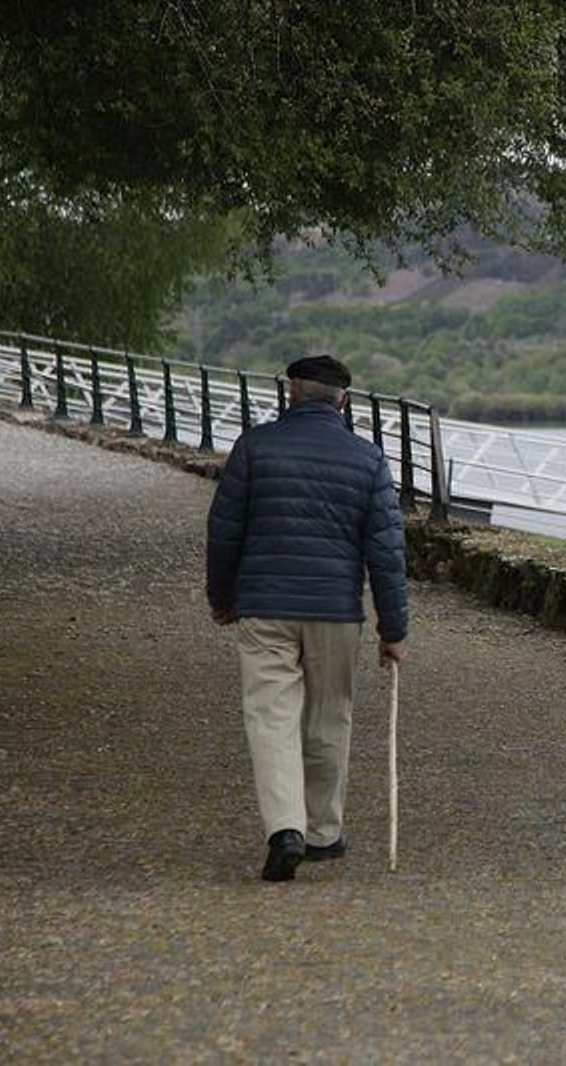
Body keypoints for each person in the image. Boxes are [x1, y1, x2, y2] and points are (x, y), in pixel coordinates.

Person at [206, 354, 409, 882]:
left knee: (270, 718)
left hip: (265, 605)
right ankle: (321, 831)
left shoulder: (255, 447)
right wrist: (394, 630)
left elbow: (224, 531)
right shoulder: (368, 460)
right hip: (335, 611)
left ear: (290, 393)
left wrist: (222, 596)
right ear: (343, 401)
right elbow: (386, 553)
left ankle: (284, 829)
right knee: (328, 717)